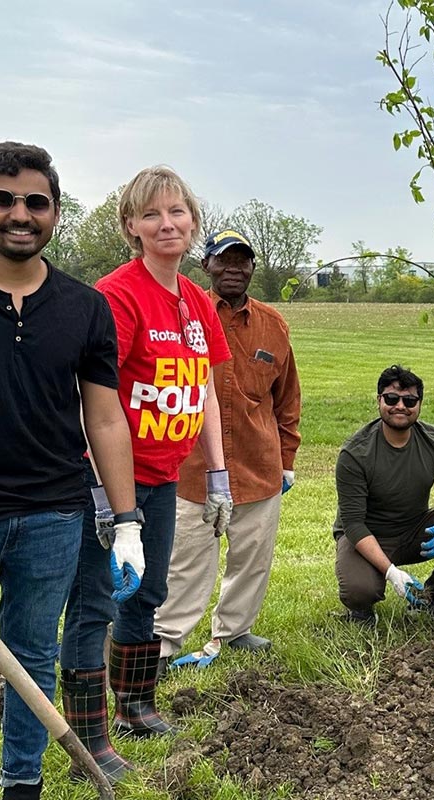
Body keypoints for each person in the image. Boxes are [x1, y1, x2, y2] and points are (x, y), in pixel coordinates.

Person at [0, 142, 137, 800]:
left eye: (36, 202)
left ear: (53, 212)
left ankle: (22, 785)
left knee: (32, 659)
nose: (20, 213)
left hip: (54, 515)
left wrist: (126, 518)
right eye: (3, 199)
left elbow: (105, 419)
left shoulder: (84, 307)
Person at [60, 166, 232, 784]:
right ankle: (88, 738)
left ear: (193, 222)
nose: (168, 224)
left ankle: (136, 704)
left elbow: (207, 390)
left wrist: (217, 474)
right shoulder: (118, 296)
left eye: (178, 212)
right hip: (109, 481)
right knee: (97, 601)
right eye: (152, 214)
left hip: (162, 477)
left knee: (148, 593)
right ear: (130, 226)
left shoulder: (196, 302)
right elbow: (92, 400)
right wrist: (108, 496)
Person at [155, 230, 301, 670]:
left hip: (259, 464)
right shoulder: (184, 313)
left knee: (252, 558)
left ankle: (235, 630)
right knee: (186, 562)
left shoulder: (273, 325)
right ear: (207, 266)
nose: (234, 268)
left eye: (243, 261)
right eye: (225, 260)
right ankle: (163, 642)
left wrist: (287, 461)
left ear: (253, 268)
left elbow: (287, 398)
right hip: (193, 468)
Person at [334, 365, 434, 624]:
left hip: (414, 530)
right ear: (379, 401)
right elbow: (353, 524)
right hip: (367, 536)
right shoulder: (355, 453)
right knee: (360, 590)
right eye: (391, 399)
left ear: (419, 404)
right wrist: (392, 573)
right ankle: (361, 613)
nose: (400, 406)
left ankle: (430, 598)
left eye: (410, 400)